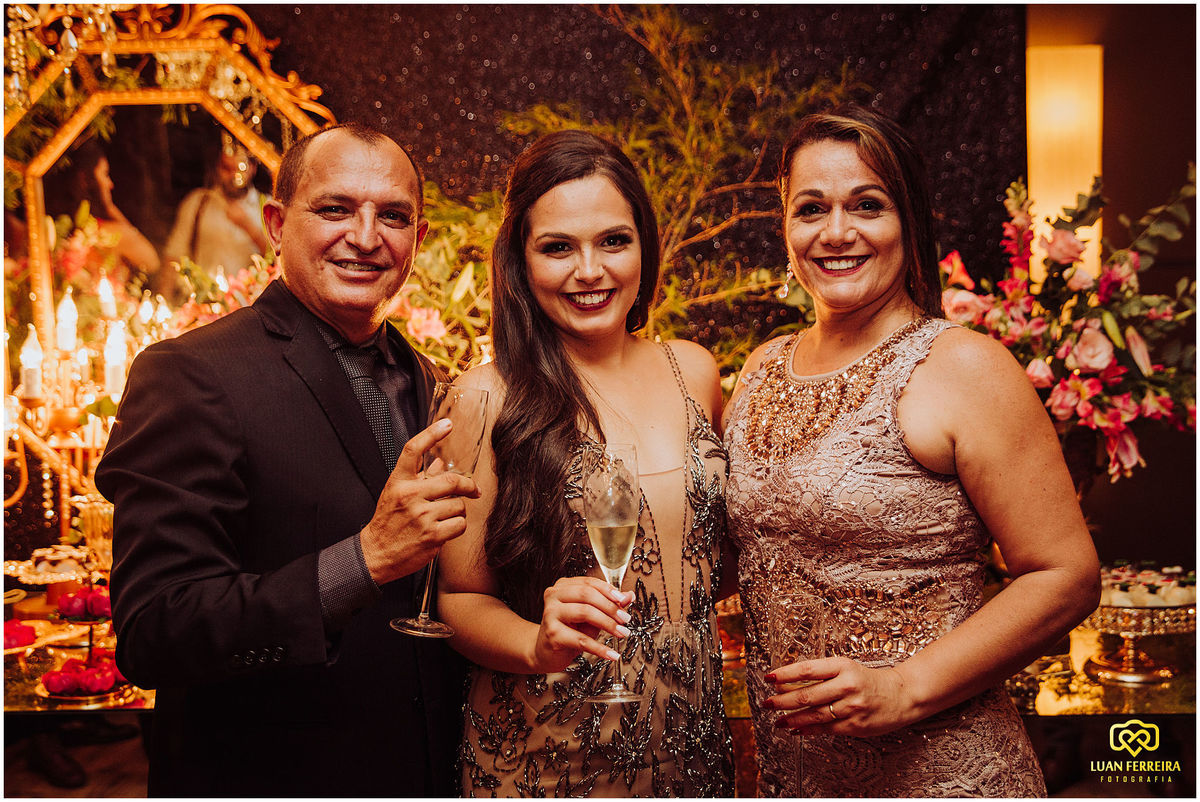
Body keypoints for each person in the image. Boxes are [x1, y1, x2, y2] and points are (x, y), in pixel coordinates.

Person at [722, 106, 1100, 797]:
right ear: (786, 226)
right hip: (796, 777)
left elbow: (1066, 575)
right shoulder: (758, 370)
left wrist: (904, 688)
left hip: (942, 774)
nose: (837, 232)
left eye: (867, 205)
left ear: (909, 221)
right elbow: (744, 557)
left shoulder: (962, 367)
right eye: (811, 208)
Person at [94, 123, 480, 797]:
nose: (366, 237)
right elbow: (155, 631)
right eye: (335, 209)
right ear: (276, 224)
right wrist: (363, 561)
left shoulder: (433, 381)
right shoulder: (190, 374)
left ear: (417, 238)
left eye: (393, 216)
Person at [438, 129, 735, 796]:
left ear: (644, 246)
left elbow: (707, 564)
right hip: (547, 758)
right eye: (558, 248)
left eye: (613, 241)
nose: (590, 271)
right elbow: (459, 599)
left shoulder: (694, 371)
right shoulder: (486, 397)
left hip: (692, 753)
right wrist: (533, 643)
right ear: (520, 261)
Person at [45, 138, 161, 285]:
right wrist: (110, 207)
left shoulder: (53, 227)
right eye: (105, 174)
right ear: (85, 179)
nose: (110, 184)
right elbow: (152, 262)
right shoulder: (106, 233)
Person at [162, 134, 271, 290]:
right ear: (218, 168)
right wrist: (165, 296)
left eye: (240, 168)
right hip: (203, 299)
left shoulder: (266, 206)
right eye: (226, 168)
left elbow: (278, 259)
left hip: (250, 299)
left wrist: (249, 227)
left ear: (253, 168)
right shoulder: (198, 203)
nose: (233, 176)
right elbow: (175, 254)